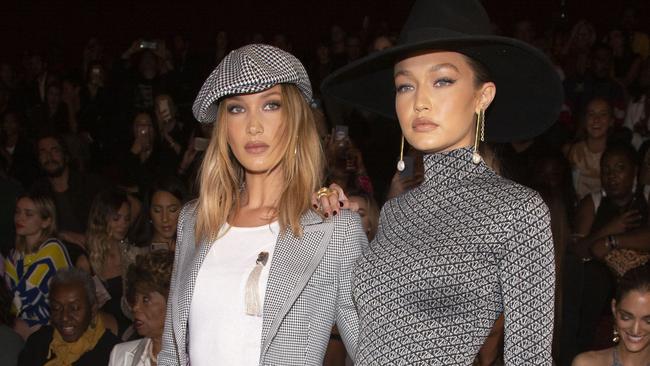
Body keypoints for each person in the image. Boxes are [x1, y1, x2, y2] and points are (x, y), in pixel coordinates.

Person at [321, 0, 561, 363]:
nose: (420, 102)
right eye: (405, 86)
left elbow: (530, 359)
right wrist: (336, 223)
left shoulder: (518, 212)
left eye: (442, 80)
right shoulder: (396, 210)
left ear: (483, 96)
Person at [158, 44, 366, 366]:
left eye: (270, 105)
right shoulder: (194, 220)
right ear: (223, 127)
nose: (253, 126)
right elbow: (173, 351)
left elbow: (372, 350)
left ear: (295, 119)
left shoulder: (333, 227)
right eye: (237, 109)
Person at [17, 268, 120, 365]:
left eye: (74, 308)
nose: (64, 317)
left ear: (92, 309)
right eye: (56, 308)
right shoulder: (38, 343)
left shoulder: (113, 353)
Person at [4, 192, 71, 335]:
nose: (19, 218)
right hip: (28, 327)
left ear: (46, 222)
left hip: (62, 324)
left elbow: (25, 297)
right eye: (17, 212)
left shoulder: (53, 248)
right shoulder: (14, 256)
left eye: (28, 214)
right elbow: (7, 298)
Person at [572, 265, 650, 365]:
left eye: (648, 321)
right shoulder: (586, 363)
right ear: (614, 308)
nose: (635, 330)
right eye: (626, 317)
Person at [108, 250, 174, 366]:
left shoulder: (200, 357)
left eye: (146, 299)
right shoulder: (121, 356)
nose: (135, 308)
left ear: (172, 302)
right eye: (135, 299)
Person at [563, 97, 614, 200]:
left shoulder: (617, 155)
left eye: (603, 114)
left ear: (611, 121)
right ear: (585, 119)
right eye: (591, 114)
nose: (596, 119)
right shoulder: (570, 151)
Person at [147, 176, 187, 252]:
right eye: (157, 210)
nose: (165, 219)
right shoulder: (137, 253)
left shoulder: (193, 247)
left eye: (172, 210)